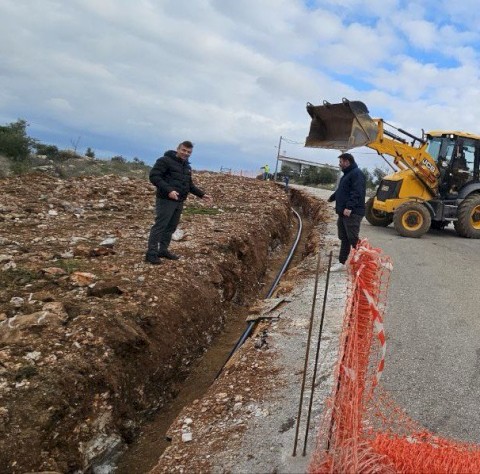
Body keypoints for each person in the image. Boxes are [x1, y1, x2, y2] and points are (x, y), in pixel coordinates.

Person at [145, 141, 212, 265]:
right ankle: (151, 253)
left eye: (189, 152)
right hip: (166, 199)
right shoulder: (164, 160)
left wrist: (202, 195)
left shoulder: (186, 166)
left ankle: (163, 250)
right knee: (160, 226)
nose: (186, 153)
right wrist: (169, 190)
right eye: (184, 150)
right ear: (178, 149)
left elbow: (189, 185)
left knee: (171, 227)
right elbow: (154, 176)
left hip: (179, 201)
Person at [327, 152, 366, 272]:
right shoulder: (348, 174)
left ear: (347, 162)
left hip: (352, 213)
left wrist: (349, 207)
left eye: (341, 162)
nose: (339, 164)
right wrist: (332, 198)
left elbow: (356, 192)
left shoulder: (356, 174)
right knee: (344, 238)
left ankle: (366, 262)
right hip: (343, 213)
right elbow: (341, 191)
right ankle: (342, 262)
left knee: (353, 238)